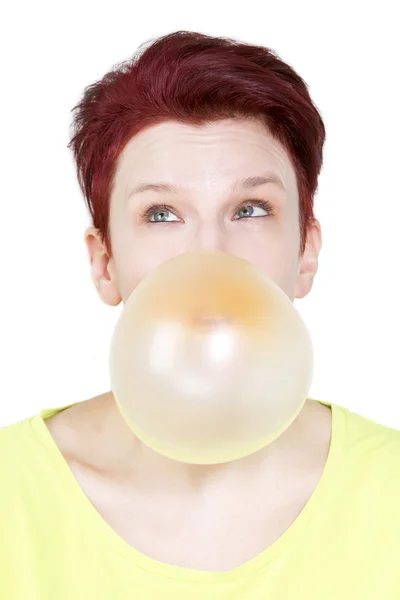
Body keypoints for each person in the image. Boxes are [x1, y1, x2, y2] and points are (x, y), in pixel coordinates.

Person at [1, 30, 399, 600]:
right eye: (161, 213)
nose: (209, 255)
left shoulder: (393, 492)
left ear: (306, 251)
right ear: (104, 262)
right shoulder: (8, 492)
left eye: (250, 209)